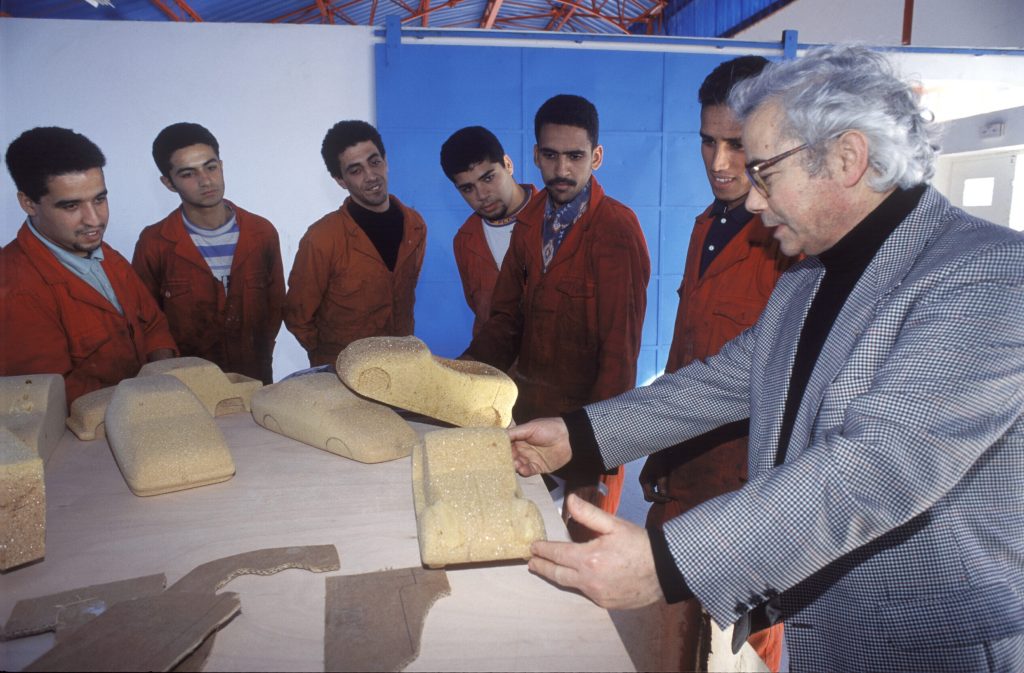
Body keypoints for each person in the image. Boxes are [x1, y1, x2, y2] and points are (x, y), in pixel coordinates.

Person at [509, 45, 1024, 672]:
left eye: (765, 173)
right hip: (819, 621)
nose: (751, 201)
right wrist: (576, 435)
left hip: (926, 644)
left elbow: (876, 467)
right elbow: (719, 382)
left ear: (847, 158)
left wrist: (668, 565)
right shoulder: (807, 277)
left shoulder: (988, 274)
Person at [639, 56, 794, 672]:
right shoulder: (709, 224)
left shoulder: (790, 242)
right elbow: (685, 358)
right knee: (671, 645)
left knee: (739, 657)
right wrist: (660, 455)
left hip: (747, 501)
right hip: (686, 480)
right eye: (708, 142)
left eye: (737, 145)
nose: (720, 163)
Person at [464, 95, 650, 522]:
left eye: (575, 156)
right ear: (535, 156)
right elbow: (506, 323)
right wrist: (456, 375)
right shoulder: (529, 226)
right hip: (529, 419)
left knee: (581, 552)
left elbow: (619, 355)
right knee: (523, 537)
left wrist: (595, 453)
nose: (562, 170)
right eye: (550, 156)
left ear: (596, 157)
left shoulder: (616, 229)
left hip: (589, 432)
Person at [0, 127, 176, 404]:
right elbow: (50, 401)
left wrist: (161, 377)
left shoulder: (104, 254)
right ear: (28, 203)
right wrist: (147, 401)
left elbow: (154, 326)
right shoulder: (15, 290)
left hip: (144, 418)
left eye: (100, 199)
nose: (94, 220)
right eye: (71, 206)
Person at [133, 123, 285, 384]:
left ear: (221, 166)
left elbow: (275, 307)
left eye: (211, 167)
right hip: (186, 389)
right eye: (188, 174)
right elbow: (147, 323)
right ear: (168, 183)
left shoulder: (261, 233)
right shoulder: (155, 243)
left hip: (254, 381)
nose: (205, 181)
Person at [285, 120, 427, 366]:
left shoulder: (414, 225)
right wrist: (331, 360)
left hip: (401, 370)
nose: (371, 176)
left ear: (386, 161)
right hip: (342, 378)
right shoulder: (322, 238)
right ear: (340, 180)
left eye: (374, 162)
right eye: (355, 170)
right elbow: (298, 316)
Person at [440, 126, 535, 339]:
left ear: (508, 164)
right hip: (495, 368)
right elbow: (481, 312)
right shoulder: (464, 241)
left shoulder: (557, 219)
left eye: (488, 178)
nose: (481, 195)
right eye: (467, 188)